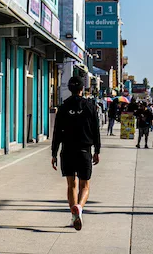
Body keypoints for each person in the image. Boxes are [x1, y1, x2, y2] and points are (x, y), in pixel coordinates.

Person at [51, 76, 101, 231]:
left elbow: (57, 131)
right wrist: (97, 150)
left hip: (67, 150)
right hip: (84, 150)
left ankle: (74, 216)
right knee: (84, 185)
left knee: (71, 185)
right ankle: (79, 207)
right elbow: (96, 131)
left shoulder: (64, 107)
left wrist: (54, 153)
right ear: (82, 89)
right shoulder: (90, 106)